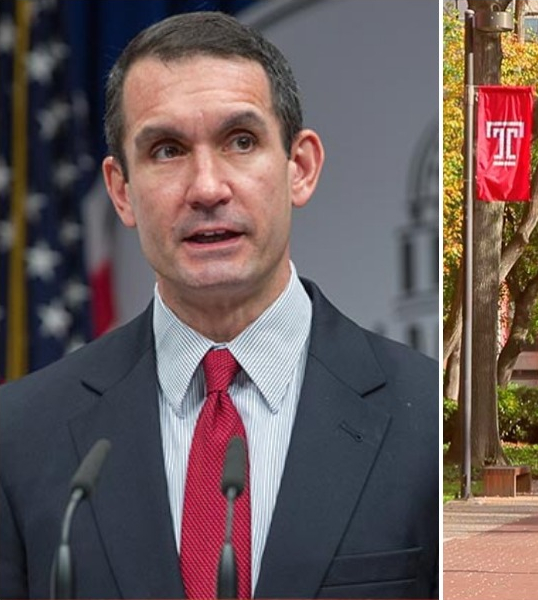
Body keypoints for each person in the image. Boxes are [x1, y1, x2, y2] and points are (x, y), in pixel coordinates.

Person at [0, 12, 438, 600]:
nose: (207, 187)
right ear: (121, 191)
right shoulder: (20, 434)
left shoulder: (422, 417)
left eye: (241, 141)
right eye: (167, 150)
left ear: (300, 168)